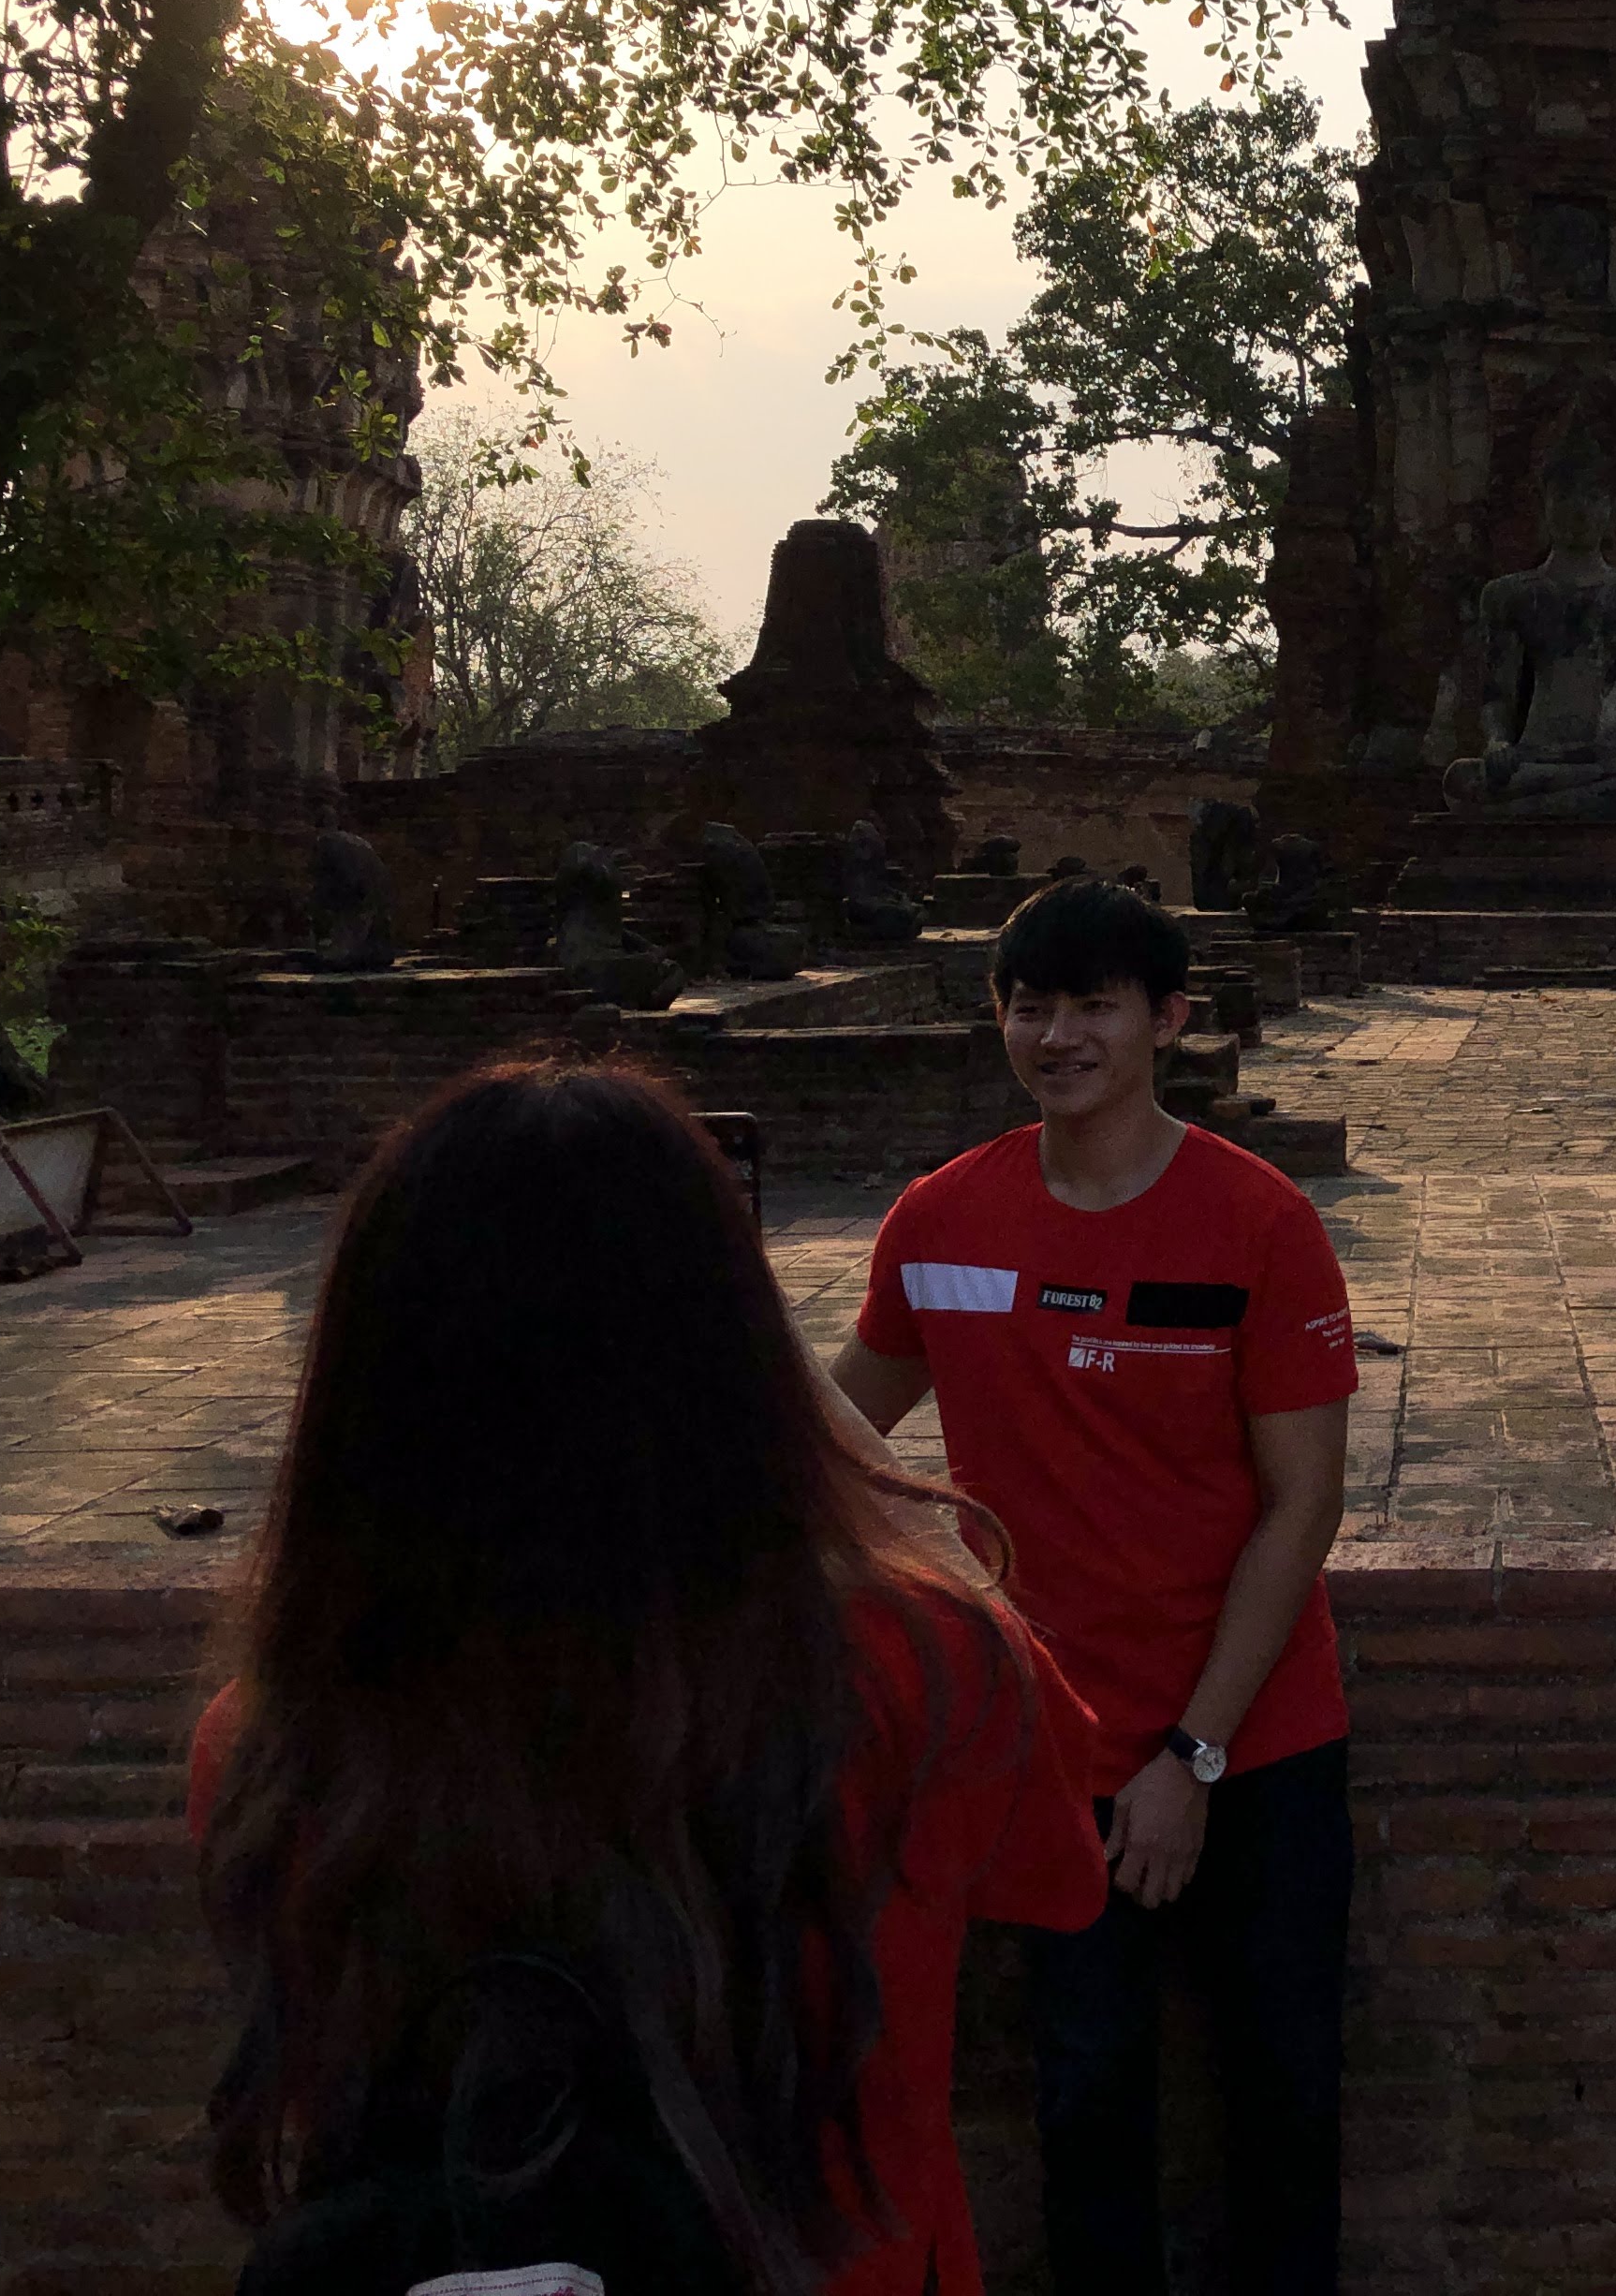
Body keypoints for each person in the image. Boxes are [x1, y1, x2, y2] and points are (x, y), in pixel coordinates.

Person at [189, 1062, 1106, 2296]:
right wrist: (860, 1466)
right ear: (729, 1341)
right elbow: (1060, 1873)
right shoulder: (913, 1665)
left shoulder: (277, 1735)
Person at [829, 878, 1358, 2295]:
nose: (1057, 1035)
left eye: (1093, 1006)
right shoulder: (945, 1223)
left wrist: (1196, 1754)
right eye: (1030, 1007)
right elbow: (830, 1439)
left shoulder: (1255, 1223)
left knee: (1284, 2105)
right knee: (1087, 2105)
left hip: (1257, 1740)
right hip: (1060, 1743)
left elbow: (1303, 1507)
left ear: (1167, 1020)